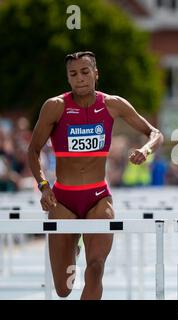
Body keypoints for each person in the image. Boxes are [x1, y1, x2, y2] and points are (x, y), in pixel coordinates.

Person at [27, 51, 164, 299]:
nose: (80, 78)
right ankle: (73, 251)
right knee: (63, 289)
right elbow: (33, 151)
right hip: (63, 200)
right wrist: (44, 186)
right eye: (73, 74)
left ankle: (86, 254)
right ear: (68, 79)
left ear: (96, 73)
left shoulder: (112, 104)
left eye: (85, 72)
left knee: (96, 267)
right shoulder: (55, 107)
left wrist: (145, 150)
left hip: (99, 198)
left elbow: (155, 133)